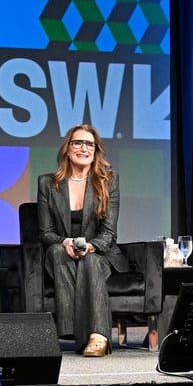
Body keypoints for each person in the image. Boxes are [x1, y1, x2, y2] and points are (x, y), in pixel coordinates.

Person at [37, 124, 127, 357]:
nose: (83, 148)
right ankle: (71, 331)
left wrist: (90, 246)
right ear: (67, 149)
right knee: (57, 251)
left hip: (99, 252)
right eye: (77, 143)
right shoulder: (48, 183)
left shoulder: (109, 181)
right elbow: (45, 232)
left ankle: (98, 335)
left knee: (90, 261)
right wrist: (66, 241)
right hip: (61, 253)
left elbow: (109, 232)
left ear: (96, 151)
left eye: (89, 144)